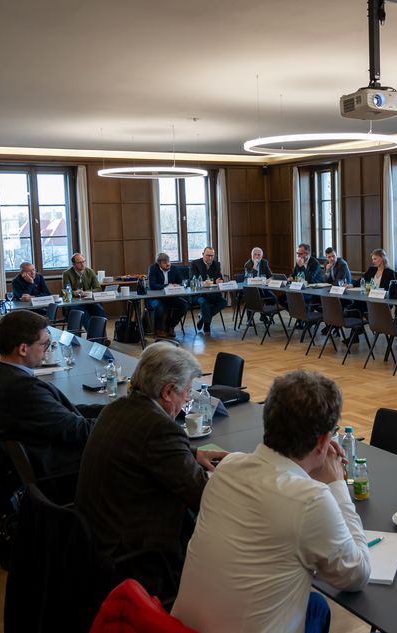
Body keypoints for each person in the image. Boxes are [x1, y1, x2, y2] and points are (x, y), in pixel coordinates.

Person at [172, 370, 370, 633]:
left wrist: (307, 469)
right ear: (323, 441)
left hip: (179, 627)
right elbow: (356, 575)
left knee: (316, 605)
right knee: (315, 606)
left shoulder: (228, 467)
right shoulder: (312, 500)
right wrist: (335, 484)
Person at [75, 344, 229, 594]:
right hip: (135, 558)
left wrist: (190, 453)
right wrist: (232, 476)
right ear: (168, 391)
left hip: (97, 541)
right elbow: (204, 497)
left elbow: (140, 448)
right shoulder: (159, 428)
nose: (188, 399)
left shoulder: (117, 408)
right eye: (187, 392)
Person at [0, 310, 102, 477]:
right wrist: (121, 423)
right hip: (67, 471)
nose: (48, 351)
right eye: (44, 344)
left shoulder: (3, 374)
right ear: (23, 349)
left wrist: (114, 410)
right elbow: (79, 430)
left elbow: (62, 411)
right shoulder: (23, 389)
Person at [147, 253, 188, 339]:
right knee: (159, 307)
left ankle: (171, 326)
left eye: (168, 261)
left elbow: (182, 282)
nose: (168, 264)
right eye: (165, 262)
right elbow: (152, 285)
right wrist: (168, 286)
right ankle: (159, 330)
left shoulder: (174, 269)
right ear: (159, 263)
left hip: (170, 297)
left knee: (184, 305)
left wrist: (178, 285)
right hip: (155, 298)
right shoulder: (153, 268)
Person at [189, 246, 227, 335]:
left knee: (223, 302)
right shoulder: (195, 264)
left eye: (212, 256)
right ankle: (207, 325)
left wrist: (220, 280)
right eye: (208, 255)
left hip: (213, 293)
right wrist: (202, 283)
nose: (210, 258)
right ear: (203, 254)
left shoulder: (216, 264)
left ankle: (202, 319)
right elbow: (192, 279)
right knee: (205, 303)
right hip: (199, 294)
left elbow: (219, 277)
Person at [61, 252, 107, 325]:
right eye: (79, 262)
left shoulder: (90, 271)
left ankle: (101, 333)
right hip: (75, 303)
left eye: (83, 261)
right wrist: (74, 292)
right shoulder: (66, 274)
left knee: (99, 311)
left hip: (89, 301)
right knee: (83, 314)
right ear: (73, 264)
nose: (82, 264)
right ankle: (91, 334)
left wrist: (87, 292)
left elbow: (98, 288)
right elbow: (65, 293)